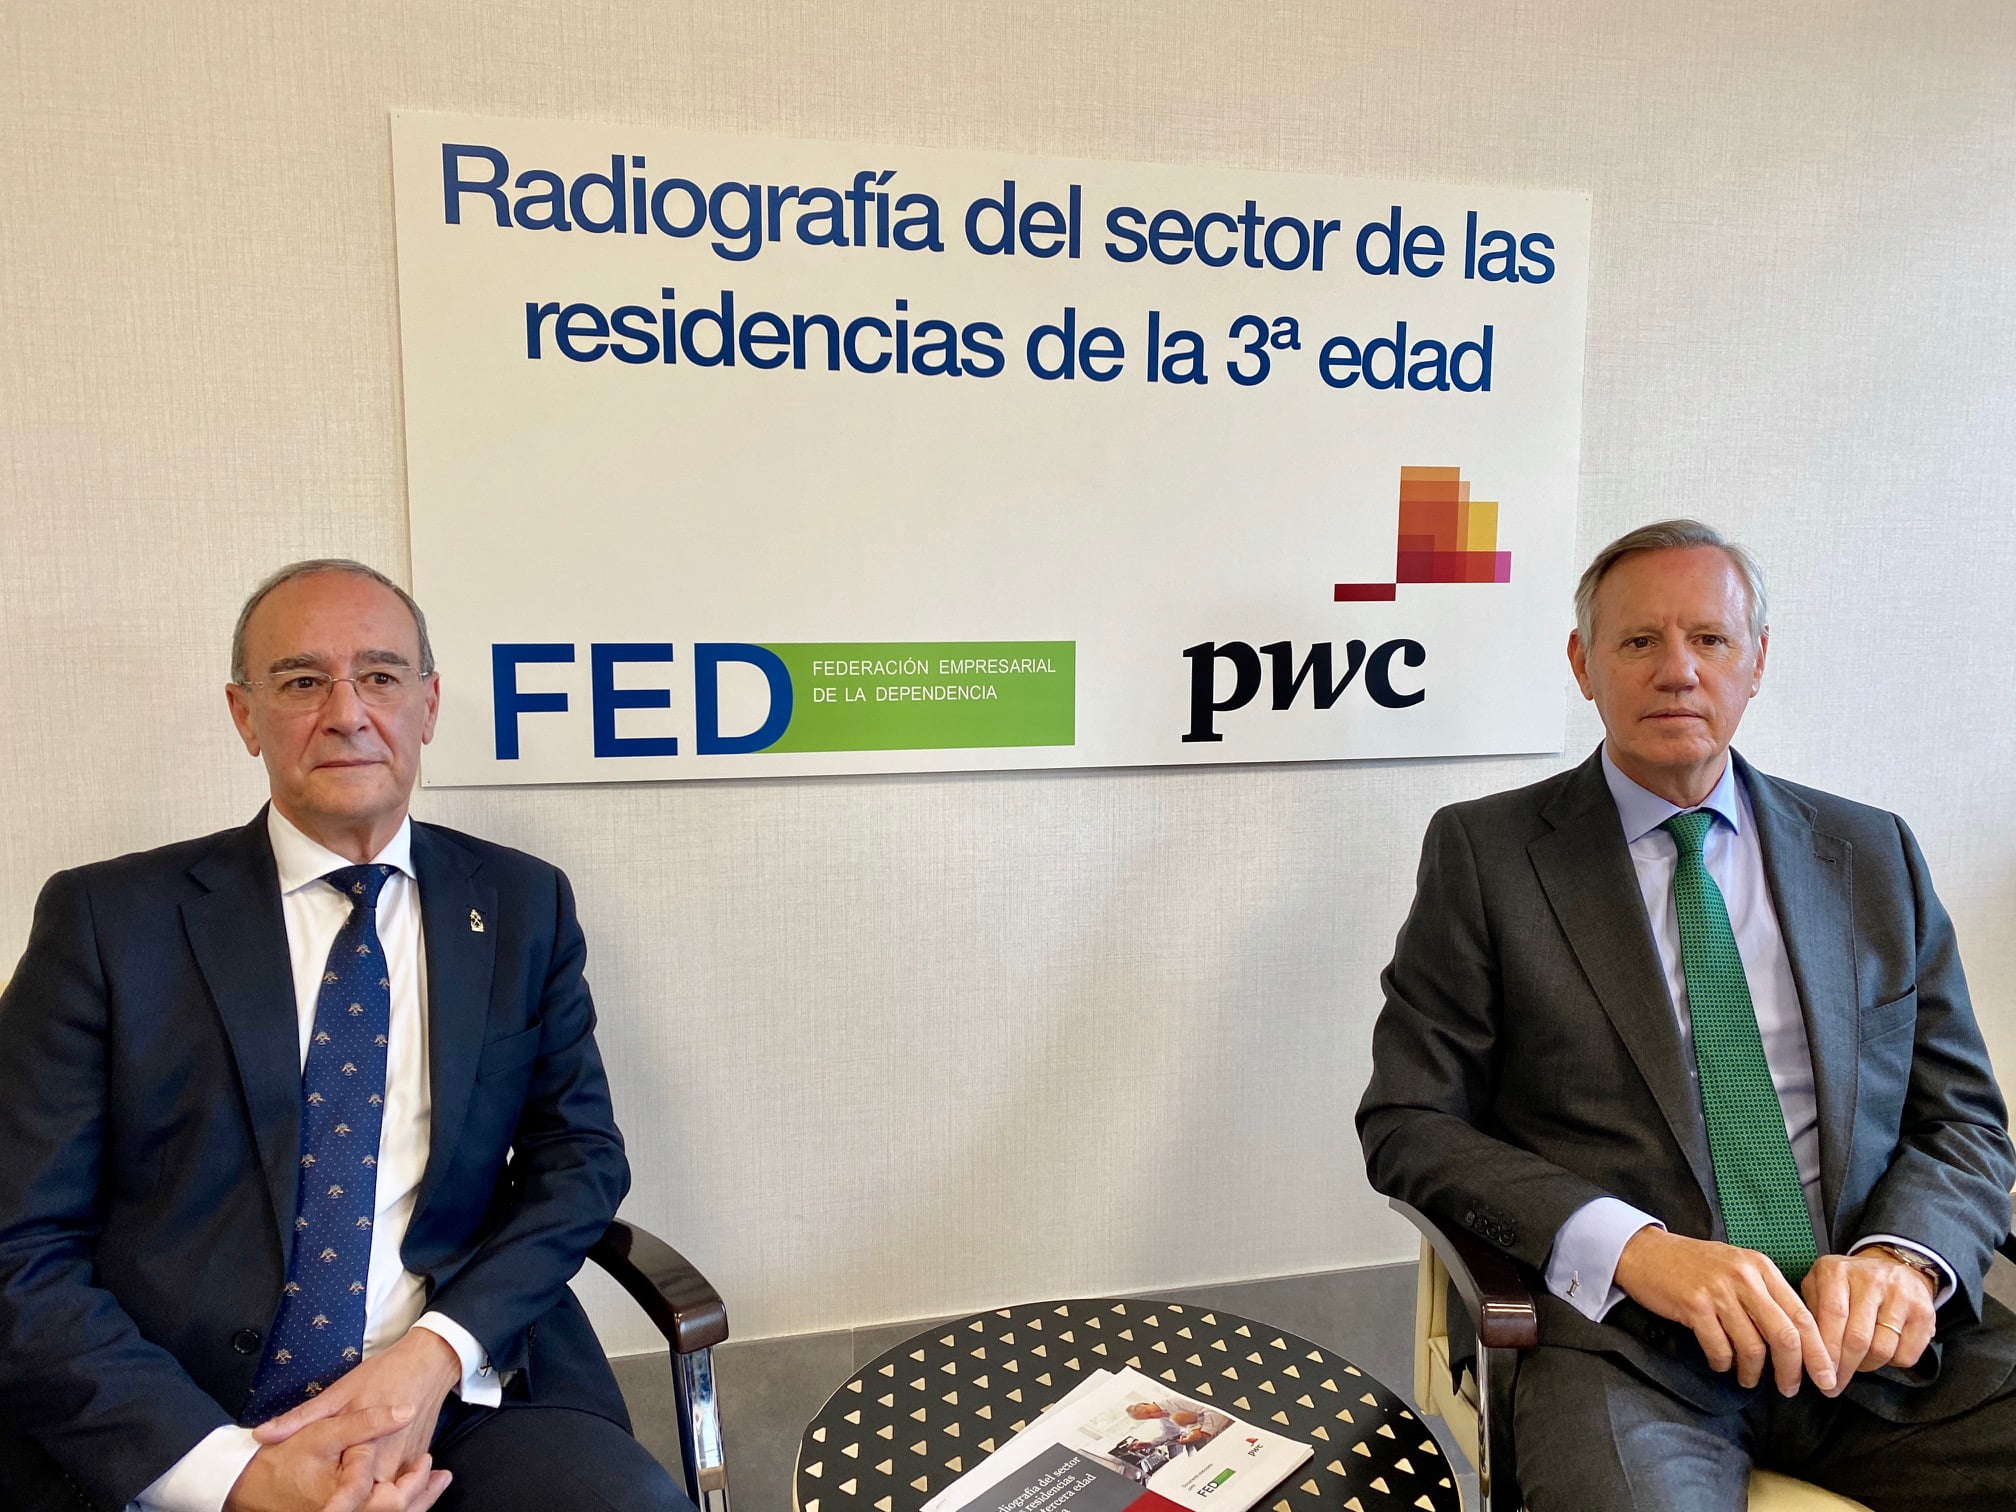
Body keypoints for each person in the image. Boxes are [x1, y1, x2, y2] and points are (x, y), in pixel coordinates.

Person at [0, 561, 693, 1512]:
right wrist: (234, 1476)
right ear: (244, 715)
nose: (347, 712)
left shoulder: (521, 902)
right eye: (301, 681)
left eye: (380, 675)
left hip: (454, 1391)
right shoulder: (108, 920)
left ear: (428, 705)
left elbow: (579, 1161)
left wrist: (438, 1352)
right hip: (184, 1404)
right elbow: (20, 1240)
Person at [1357, 520, 2016, 1509]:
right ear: (1583, 664)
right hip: (1635, 1354)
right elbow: (1409, 1122)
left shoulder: (1871, 854)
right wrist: (1634, 1249)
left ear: (1757, 661)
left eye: (1710, 638)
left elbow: (1963, 1120)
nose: (1678, 670)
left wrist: (1903, 1261)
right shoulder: (1488, 858)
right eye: (1639, 641)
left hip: (1878, 1349)